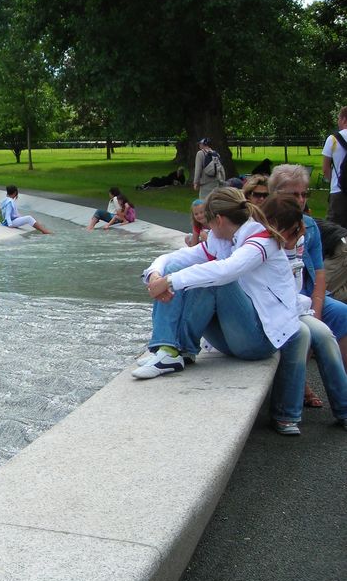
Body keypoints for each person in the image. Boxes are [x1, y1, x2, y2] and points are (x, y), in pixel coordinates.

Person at [132, 187, 309, 435]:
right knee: (182, 268)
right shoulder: (222, 238)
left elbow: (227, 271)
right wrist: (155, 274)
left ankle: (173, 351)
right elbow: (179, 256)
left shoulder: (262, 239)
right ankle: (169, 348)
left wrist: (170, 282)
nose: (208, 232)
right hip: (232, 335)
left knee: (213, 278)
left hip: (259, 339)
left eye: (210, 225)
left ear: (219, 220)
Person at [261, 194, 347, 432]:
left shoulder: (297, 241)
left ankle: (344, 408)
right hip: (270, 311)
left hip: (293, 308)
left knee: (326, 335)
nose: (300, 234)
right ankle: (286, 413)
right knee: (301, 335)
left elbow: (300, 283)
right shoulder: (260, 246)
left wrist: (309, 308)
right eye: (293, 231)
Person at [321, 106, 347, 227]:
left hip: (338, 190)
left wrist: (334, 182)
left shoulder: (333, 139)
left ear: (344, 119)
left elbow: (326, 168)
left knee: (334, 228)